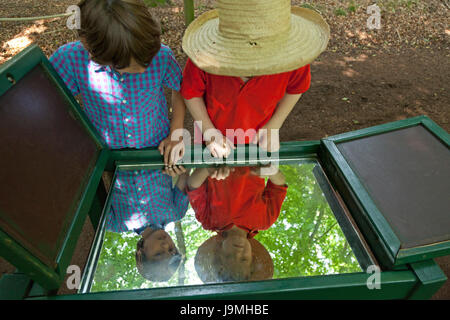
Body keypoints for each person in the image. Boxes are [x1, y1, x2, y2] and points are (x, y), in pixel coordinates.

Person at [49, 0, 187, 281]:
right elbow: (49, 102)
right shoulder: (72, 60)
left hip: (154, 143)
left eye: (160, 253)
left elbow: (179, 88)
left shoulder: (159, 56)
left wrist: (176, 131)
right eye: (127, 68)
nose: (142, 70)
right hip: (109, 150)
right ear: (93, 52)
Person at [180, 0, 330, 158]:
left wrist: (274, 125)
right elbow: (190, 93)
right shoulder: (204, 59)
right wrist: (209, 132)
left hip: (258, 145)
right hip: (208, 142)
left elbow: (297, 88)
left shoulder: (294, 62)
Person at [187, 165, 287, 282]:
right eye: (244, 259)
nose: (238, 252)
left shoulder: (208, 220)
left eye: (230, 256)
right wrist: (272, 171)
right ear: (252, 256)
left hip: (217, 154)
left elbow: (192, 185)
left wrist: (209, 169)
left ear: (218, 252)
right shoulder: (265, 220)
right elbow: (279, 186)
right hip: (253, 152)